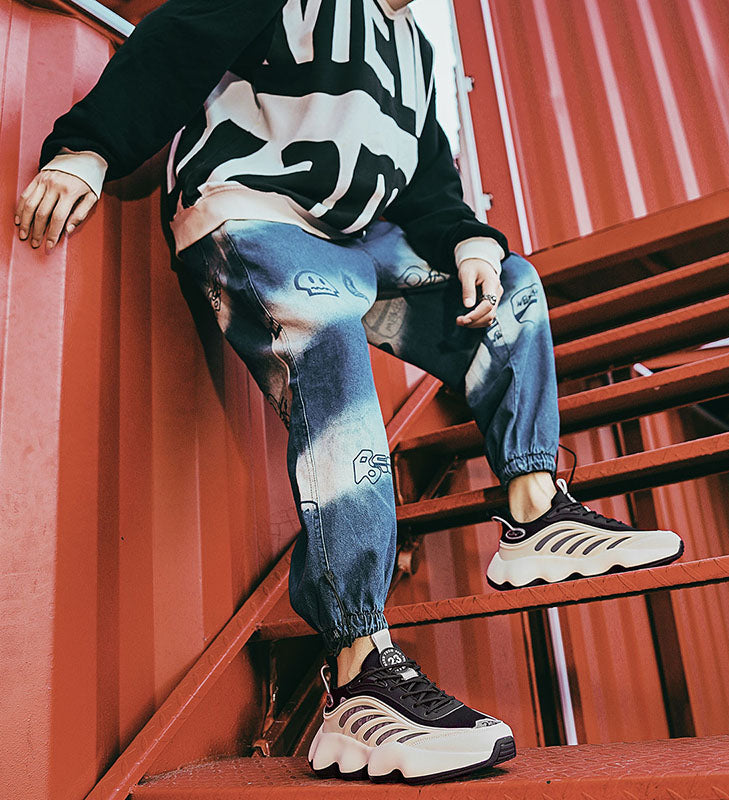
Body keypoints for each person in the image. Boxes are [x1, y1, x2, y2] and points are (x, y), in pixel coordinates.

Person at [16, 0, 684, 784]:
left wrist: (469, 239)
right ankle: (360, 673)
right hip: (250, 212)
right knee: (329, 327)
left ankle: (535, 511)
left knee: (510, 283)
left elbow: (427, 181)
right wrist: (88, 149)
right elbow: (176, 42)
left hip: (350, 242)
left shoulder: (414, 52)